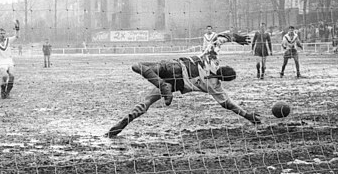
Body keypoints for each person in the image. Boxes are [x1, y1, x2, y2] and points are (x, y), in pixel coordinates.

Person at [105, 54, 261, 138]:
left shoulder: (211, 58)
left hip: (174, 67)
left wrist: (235, 37)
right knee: (148, 101)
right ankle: (122, 123)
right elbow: (228, 104)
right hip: (177, 85)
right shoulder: (215, 87)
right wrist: (248, 116)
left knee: (137, 66)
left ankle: (161, 85)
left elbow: (220, 37)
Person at [0, 20, 20, 99]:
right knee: (5, 76)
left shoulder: (8, 40)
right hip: (1, 61)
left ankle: (7, 93)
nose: (3, 35)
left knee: (12, 75)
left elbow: (16, 36)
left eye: (3, 33)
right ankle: (3, 91)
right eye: (1, 33)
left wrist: (17, 28)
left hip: (9, 61)